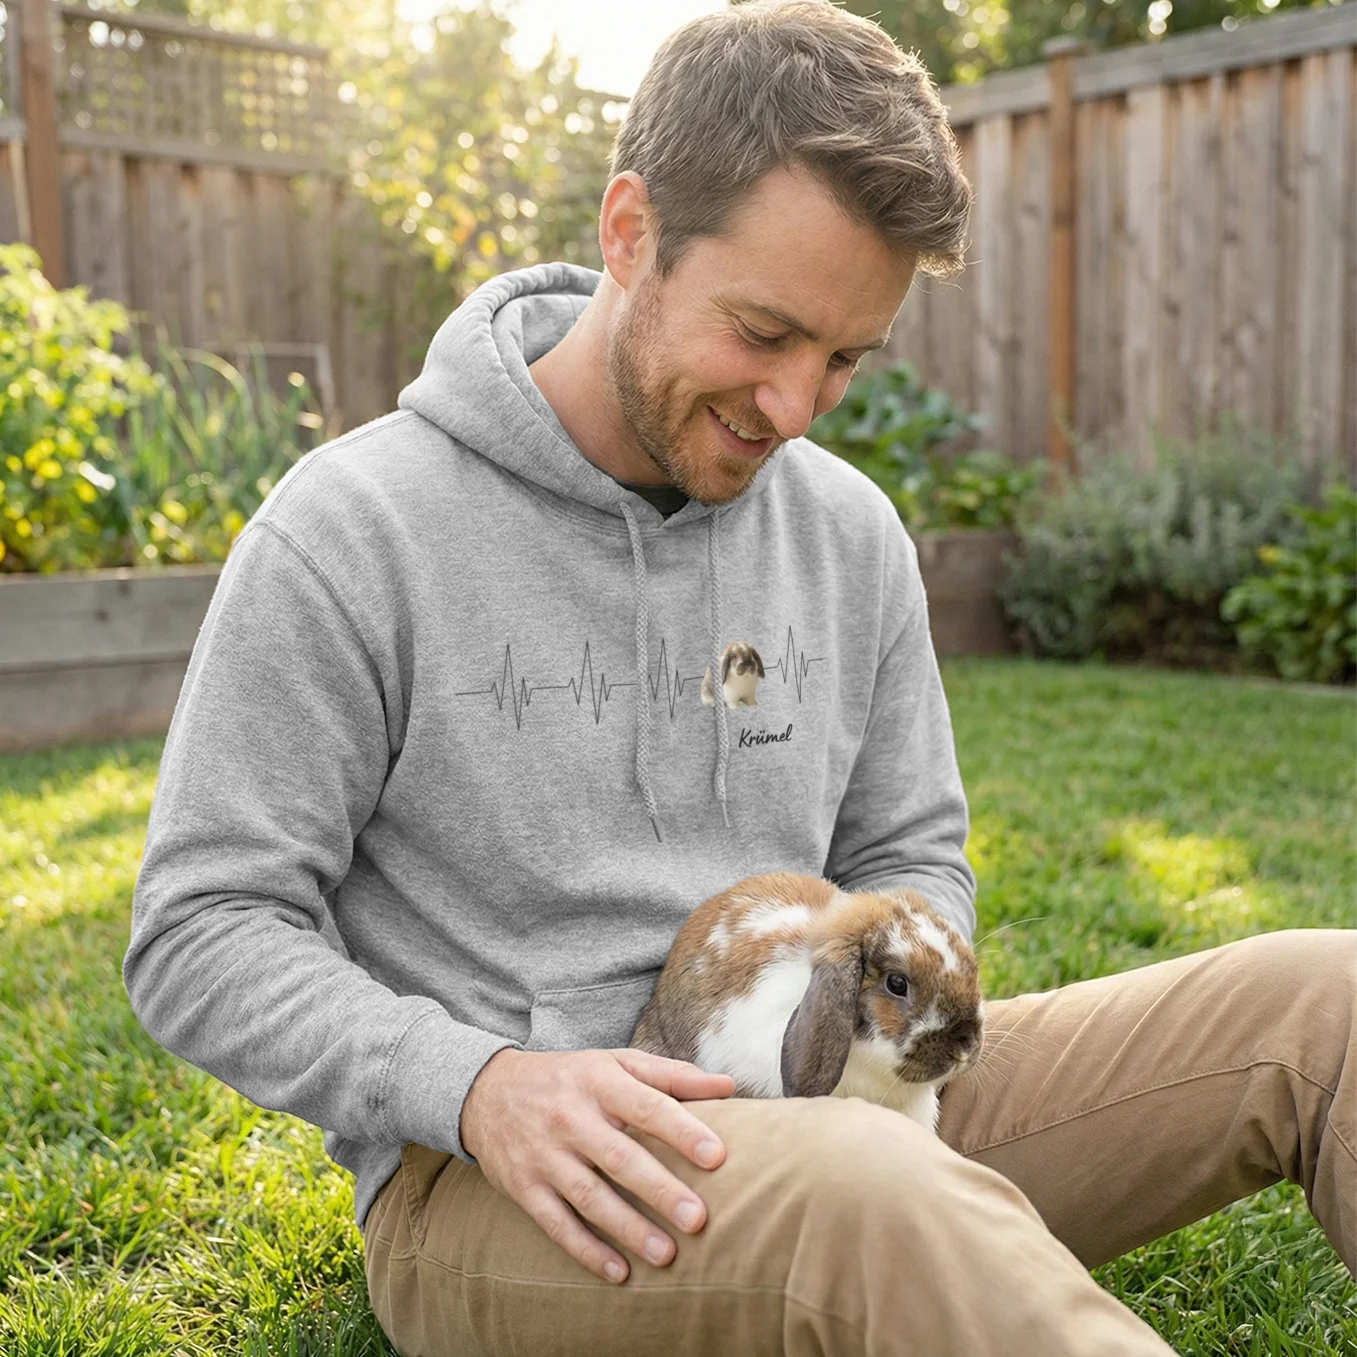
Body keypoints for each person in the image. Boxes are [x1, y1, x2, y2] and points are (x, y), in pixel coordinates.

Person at [124, 2, 1357, 1354]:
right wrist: (476, 1086)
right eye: (763, 333)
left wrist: (868, 1046)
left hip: (847, 1106)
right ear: (629, 230)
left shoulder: (849, 532)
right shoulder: (352, 530)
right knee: (872, 1191)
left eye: (842, 359)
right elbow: (203, 926)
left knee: (1330, 1003)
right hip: (517, 1186)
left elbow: (908, 850)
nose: (796, 408)